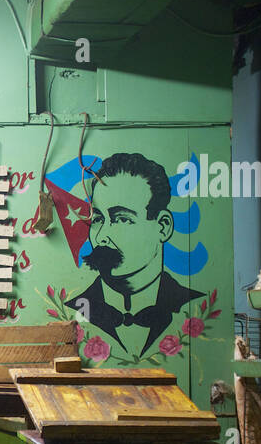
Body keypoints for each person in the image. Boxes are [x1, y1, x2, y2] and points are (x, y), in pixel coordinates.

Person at [64, 152, 202, 356]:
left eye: (121, 219)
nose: (102, 237)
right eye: (98, 219)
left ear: (163, 227)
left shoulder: (193, 306)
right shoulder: (72, 310)